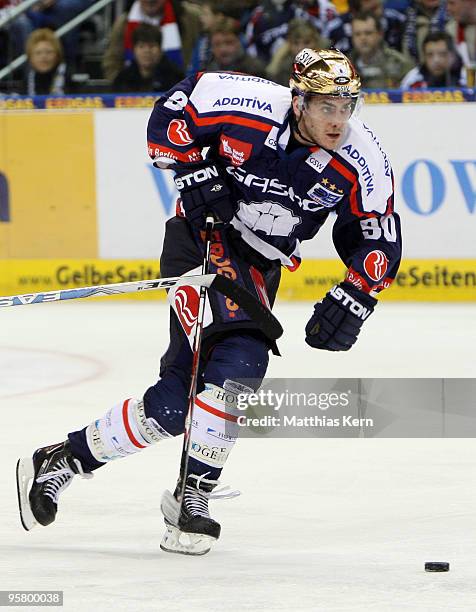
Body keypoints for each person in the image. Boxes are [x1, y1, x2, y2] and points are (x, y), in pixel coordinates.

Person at [17, 48, 402, 556]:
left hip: (260, 266)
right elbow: (172, 111)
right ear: (299, 99)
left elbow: (377, 233)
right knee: (242, 360)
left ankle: (64, 459)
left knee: (175, 404)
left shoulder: (362, 158)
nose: (338, 120)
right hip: (202, 239)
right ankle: (192, 494)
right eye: (326, 106)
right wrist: (193, 170)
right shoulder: (247, 103)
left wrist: (357, 293)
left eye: (346, 106)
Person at [102, 0, 200, 82]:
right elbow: (112, 59)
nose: (150, 1)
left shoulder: (188, 16)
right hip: (130, 87)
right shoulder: (124, 21)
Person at [112, 24, 184, 92]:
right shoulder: (123, 79)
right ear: (134, 50)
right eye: (141, 46)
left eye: (151, 46)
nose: (147, 51)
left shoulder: (176, 78)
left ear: (160, 50)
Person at [350, 11, 414, 88]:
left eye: (368, 33)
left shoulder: (400, 63)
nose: (363, 38)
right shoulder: (343, 66)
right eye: (357, 34)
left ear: (380, 34)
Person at [327, 0, 407, 55]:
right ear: (355, 10)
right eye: (367, 0)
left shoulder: (396, 19)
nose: (375, 1)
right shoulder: (337, 29)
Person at [266, 18, 330, 85]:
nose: (301, 48)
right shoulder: (284, 67)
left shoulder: (331, 57)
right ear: (289, 45)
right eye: (296, 43)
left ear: (316, 41)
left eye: (307, 42)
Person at [401, 30, 465, 87]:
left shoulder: (466, 77)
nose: (436, 60)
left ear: (453, 56)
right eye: (430, 55)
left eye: (442, 54)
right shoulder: (413, 79)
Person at [21, 28, 72, 95]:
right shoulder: (27, 78)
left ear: (58, 55)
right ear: (30, 58)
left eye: (49, 52)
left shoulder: (69, 76)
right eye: (38, 53)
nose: (44, 57)